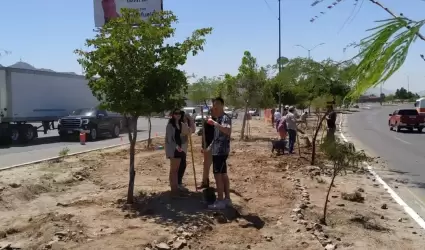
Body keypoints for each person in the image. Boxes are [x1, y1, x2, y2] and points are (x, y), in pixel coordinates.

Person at [206, 97, 232, 209]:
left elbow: (227, 130)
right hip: (217, 151)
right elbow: (217, 137)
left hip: (221, 152)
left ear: (222, 105)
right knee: (223, 175)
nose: (214, 106)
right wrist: (209, 147)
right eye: (213, 104)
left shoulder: (224, 118)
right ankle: (227, 199)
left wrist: (214, 123)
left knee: (218, 176)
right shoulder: (219, 118)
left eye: (216, 104)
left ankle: (220, 200)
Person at [165, 108, 189, 197]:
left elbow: (189, 131)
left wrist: (188, 120)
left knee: (175, 170)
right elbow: (169, 139)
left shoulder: (181, 124)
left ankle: (175, 190)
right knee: (174, 171)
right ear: (173, 114)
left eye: (180, 113)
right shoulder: (170, 125)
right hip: (174, 149)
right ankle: (174, 191)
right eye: (176, 113)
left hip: (180, 149)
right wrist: (176, 146)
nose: (178, 115)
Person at [198, 110, 217, 189]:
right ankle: (205, 182)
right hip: (207, 147)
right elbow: (201, 134)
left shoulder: (218, 123)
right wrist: (203, 147)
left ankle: (219, 184)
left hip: (215, 147)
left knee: (217, 167)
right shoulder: (206, 122)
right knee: (206, 165)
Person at [178, 111, 196, 191]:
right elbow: (192, 130)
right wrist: (191, 119)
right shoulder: (182, 125)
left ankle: (177, 182)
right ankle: (178, 183)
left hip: (179, 148)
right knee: (181, 166)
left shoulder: (179, 124)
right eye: (185, 116)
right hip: (180, 149)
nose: (186, 118)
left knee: (179, 166)